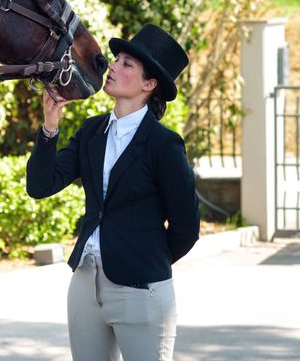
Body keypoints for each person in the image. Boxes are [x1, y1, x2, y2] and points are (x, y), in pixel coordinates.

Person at [26, 23, 200, 361]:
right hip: (85, 284)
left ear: (150, 84)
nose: (113, 66)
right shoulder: (91, 131)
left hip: (141, 288)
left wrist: (146, 259)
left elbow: (186, 226)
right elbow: (40, 186)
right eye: (117, 58)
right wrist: (50, 128)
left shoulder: (164, 145)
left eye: (126, 64)